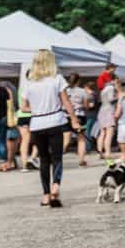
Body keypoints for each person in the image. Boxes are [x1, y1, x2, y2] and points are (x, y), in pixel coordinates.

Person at [22, 50, 79, 208]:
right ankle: (56, 186)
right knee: (57, 157)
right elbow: (66, 102)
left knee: (44, 159)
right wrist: (74, 120)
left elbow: (23, 107)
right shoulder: (57, 79)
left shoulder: (30, 83)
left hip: (37, 124)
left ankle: (46, 195)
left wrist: (36, 109)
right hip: (55, 121)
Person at [97, 72, 120, 160]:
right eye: (117, 81)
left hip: (102, 110)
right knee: (109, 133)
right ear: (113, 80)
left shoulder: (104, 88)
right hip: (109, 110)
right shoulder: (111, 88)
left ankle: (100, 151)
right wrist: (118, 96)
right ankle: (107, 152)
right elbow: (111, 99)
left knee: (102, 133)